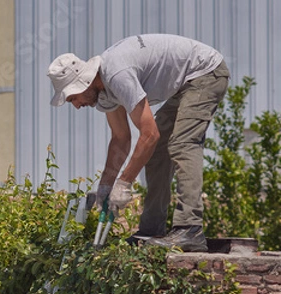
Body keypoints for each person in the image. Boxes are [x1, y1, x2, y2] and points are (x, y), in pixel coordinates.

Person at [47, 34, 230, 252]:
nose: (76, 105)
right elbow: (120, 139)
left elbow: (149, 134)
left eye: (72, 98)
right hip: (184, 84)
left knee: (182, 143)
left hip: (205, 72)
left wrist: (124, 184)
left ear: (83, 84)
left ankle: (190, 229)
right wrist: (106, 186)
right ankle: (151, 230)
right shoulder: (104, 92)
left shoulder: (116, 75)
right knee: (156, 152)